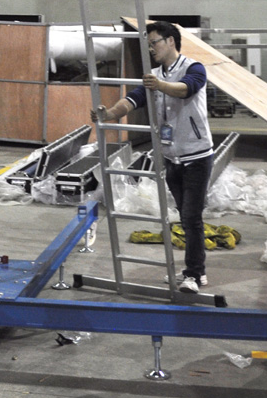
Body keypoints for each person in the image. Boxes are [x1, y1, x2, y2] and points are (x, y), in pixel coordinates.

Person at [91, 20, 213, 293]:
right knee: (184, 216)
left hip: (196, 156)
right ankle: (197, 270)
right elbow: (133, 99)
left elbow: (186, 89)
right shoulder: (154, 75)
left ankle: (194, 275)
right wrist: (109, 114)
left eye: (154, 43)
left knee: (191, 217)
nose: (151, 49)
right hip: (171, 158)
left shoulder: (193, 68)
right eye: (149, 45)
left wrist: (159, 85)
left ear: (170, 41)